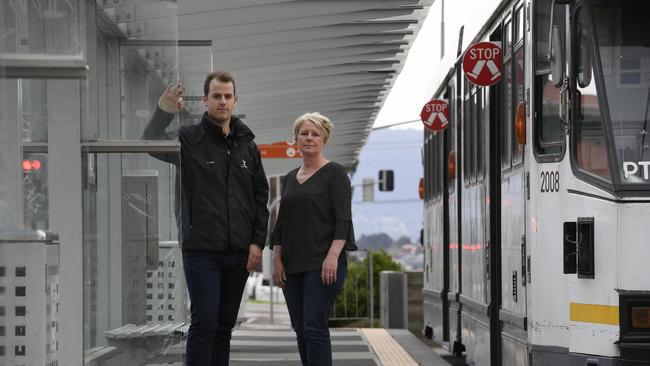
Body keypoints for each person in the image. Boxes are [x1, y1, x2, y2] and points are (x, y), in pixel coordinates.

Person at [142, 72, 269, 366]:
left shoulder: (248, 146)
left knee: (224, 327)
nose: (222, 101)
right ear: (205, 101)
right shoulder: (189, 139)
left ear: (235, 101)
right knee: (205, 322)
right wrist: (163, 110)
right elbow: (149, 143)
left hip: (239, 252)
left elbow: (260, 197)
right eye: (216, 96)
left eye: (227, 96)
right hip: (201, 249)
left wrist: (256, 242)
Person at [271, 112, 357, 366]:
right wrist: (277, 258)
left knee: (314, 326)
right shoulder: (289, 177)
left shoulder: (335, 173)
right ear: (296, 138)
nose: (309, 138)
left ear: (324, 139)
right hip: (292, 263)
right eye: (304, 133)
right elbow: (281, 223)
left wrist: (332, 257)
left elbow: (343, 220)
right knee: (300, 327)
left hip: (323, 264)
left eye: (315, 134)